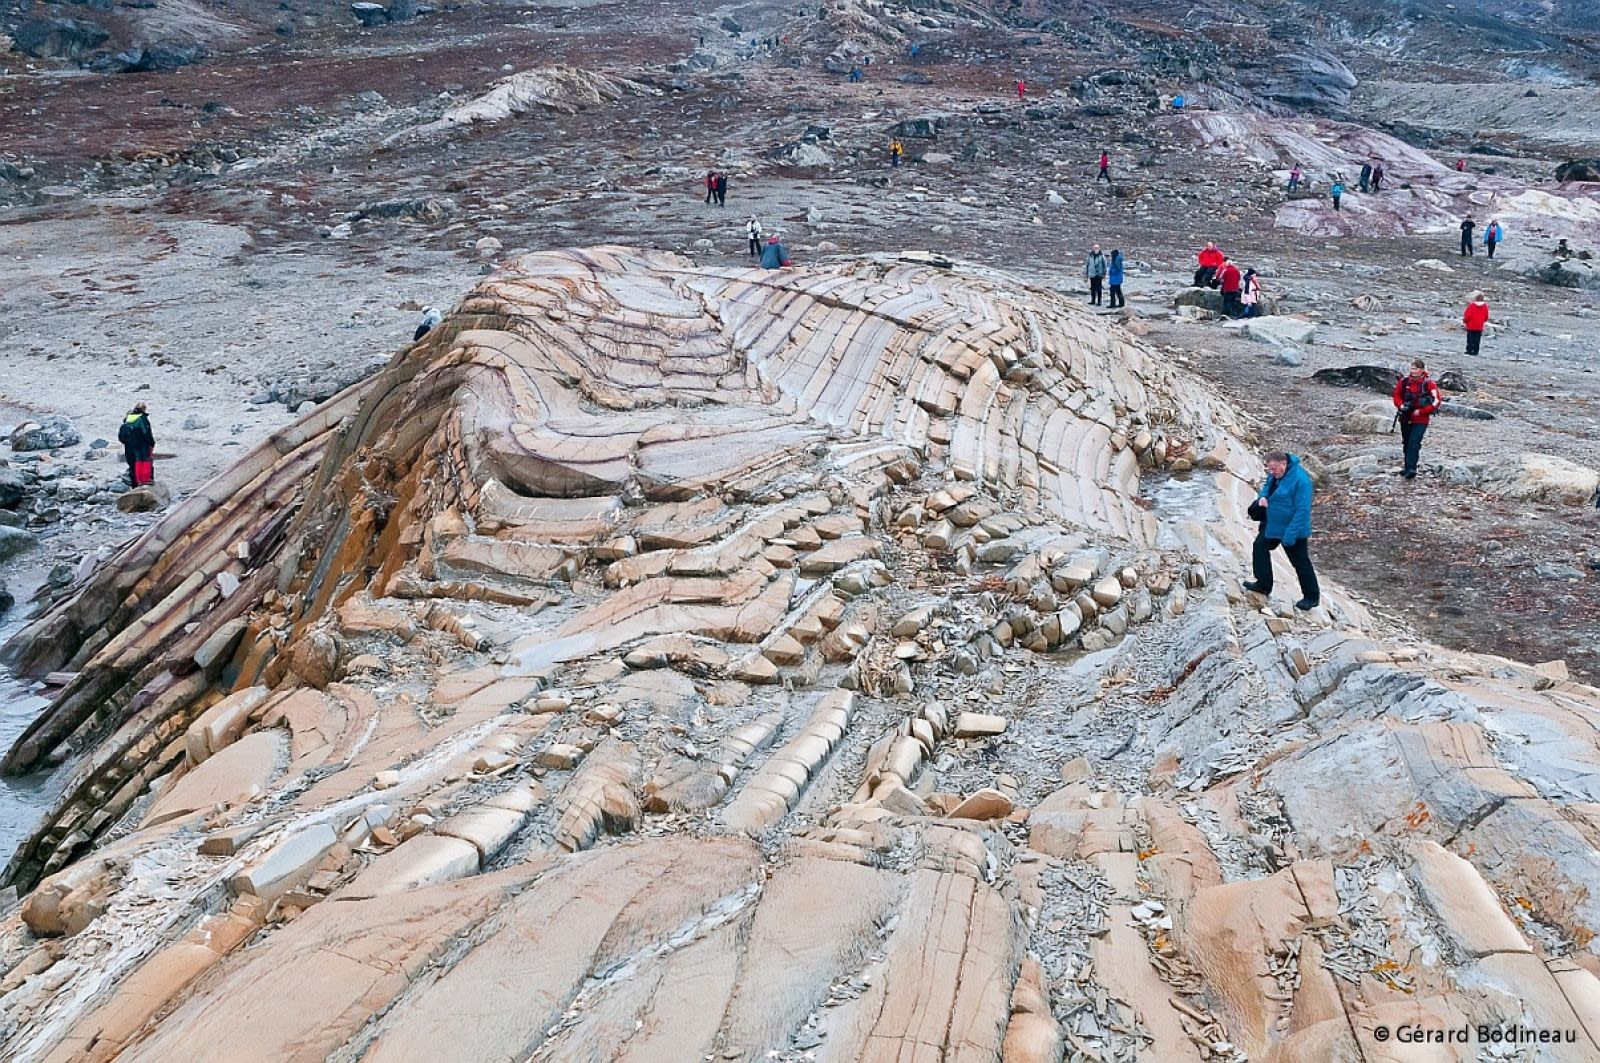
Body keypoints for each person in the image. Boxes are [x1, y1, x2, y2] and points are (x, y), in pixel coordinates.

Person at [1243, 451, 1319, 611]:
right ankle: (1263, 584)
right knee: (1259, 547)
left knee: (1300, 563)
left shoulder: (1301, 481)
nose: (1271, 472)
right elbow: (1266, 488)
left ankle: (1311, 597)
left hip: (1292, 529)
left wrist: (1290, 535)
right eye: (1269, 469)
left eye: (1274, 469)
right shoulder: (1275, 474)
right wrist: (1262, 499)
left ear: (1284, 464)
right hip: (1273, 524)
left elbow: (1302, 511)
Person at [1392, 359, 1442, 479]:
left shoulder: (1429, 384)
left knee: (1414, 442)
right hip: (1405, 417)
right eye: (1412, 368)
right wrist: (1401, 406)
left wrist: (1422, 411)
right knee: (1406, 442)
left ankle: (1411, 468)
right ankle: (1407, 465)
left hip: (1421, 419)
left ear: (1422, 370)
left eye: (1416, 369)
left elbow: (1437, 400)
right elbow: (1396, 396)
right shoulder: (1404, 382)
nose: (1413, 371)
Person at [118, 401, 155, 488]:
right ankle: (146, 479)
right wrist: (151, 443)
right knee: (146, 461)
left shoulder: (128, 420)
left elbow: (121, 437)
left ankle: (138, 482)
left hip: (131, 447)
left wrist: (129, 442)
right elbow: (146, 432)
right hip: (142, 444)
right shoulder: (142, 418)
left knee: (136, 463)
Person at [1463, 291, 1489, 356]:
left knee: (1470, 338)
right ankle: (1475, 351)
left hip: (1471, 325)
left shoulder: (1472, 306)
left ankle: (1469, 350)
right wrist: (1483, 321)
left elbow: (1467, 315)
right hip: (1479, 325)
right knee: (1477, 339)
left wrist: (1465, 321)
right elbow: (1486, 316)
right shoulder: (1485, 306)